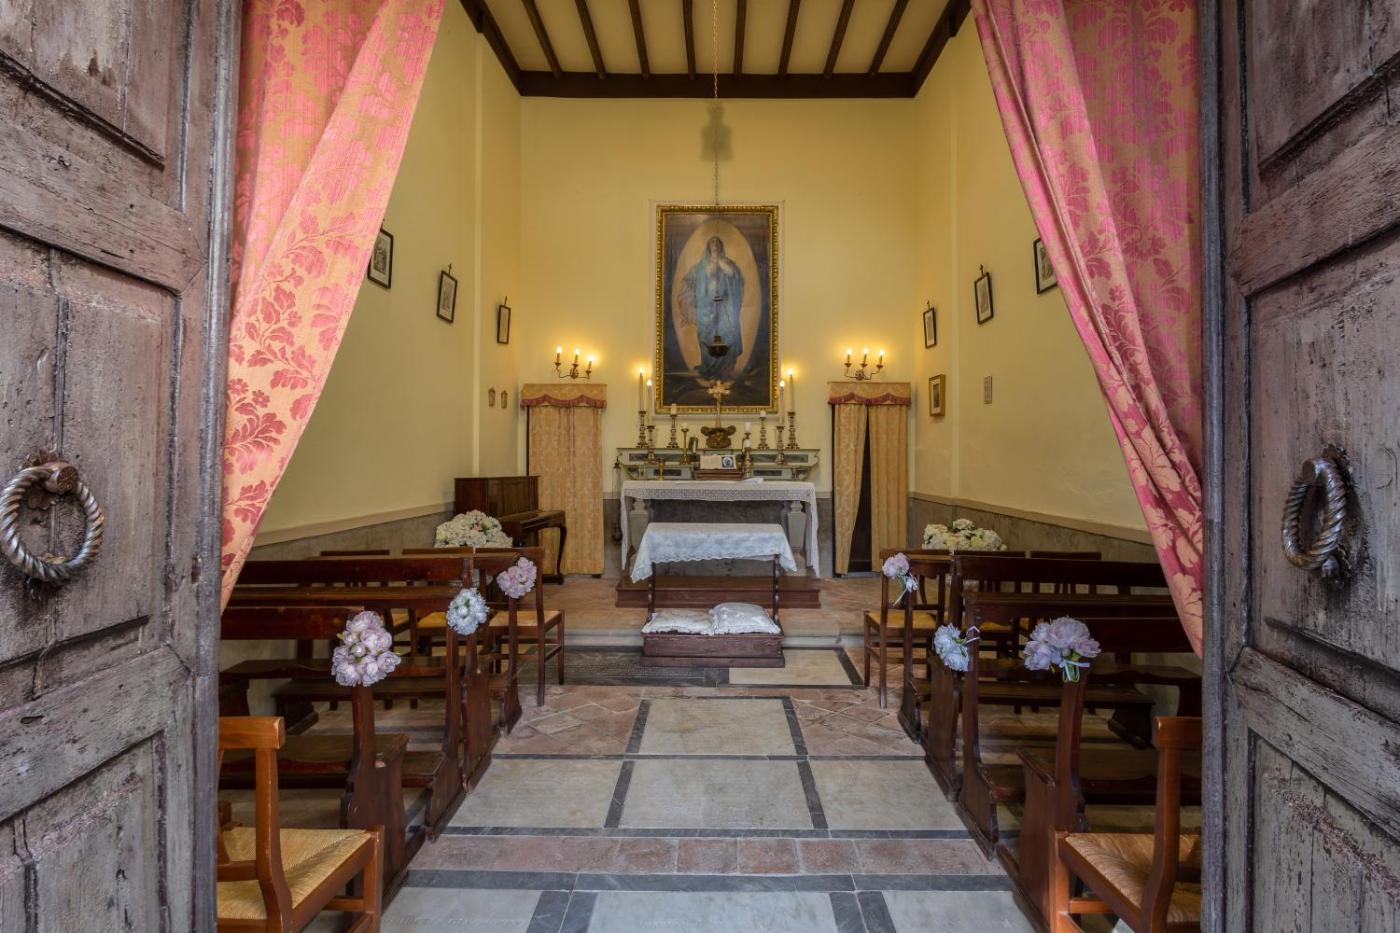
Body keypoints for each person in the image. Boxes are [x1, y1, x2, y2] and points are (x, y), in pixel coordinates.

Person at [677, 235, 744, 380]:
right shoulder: (700, 267)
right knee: (706, 336)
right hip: (706, 309)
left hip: (725, 308)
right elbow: (688, 283)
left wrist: (723, 265)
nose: (714, 244)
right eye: (712, 242)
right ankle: (709, 369)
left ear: (721, 246)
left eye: (717, 242)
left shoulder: (728, 263)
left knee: (727, 335)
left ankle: (725, 371)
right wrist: (689, 310)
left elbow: (736, 278)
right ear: (708, 246)